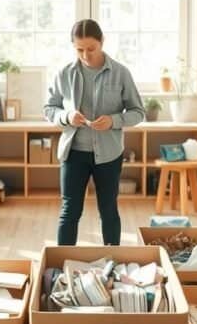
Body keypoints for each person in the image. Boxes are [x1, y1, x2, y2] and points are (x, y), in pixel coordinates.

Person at [44, 19, 145, 246]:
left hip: (109, 154)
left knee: (109, 210)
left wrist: (113, 120)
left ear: (102, 43)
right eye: (79, 49)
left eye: (91, 49)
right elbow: (49, 108)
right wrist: (67, 116)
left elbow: (138, 112)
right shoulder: (64, 74)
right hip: (74, 154)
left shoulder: (121, 73)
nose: (86, 55)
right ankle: (62, 267)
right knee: (69, 211)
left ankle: (113, 264)